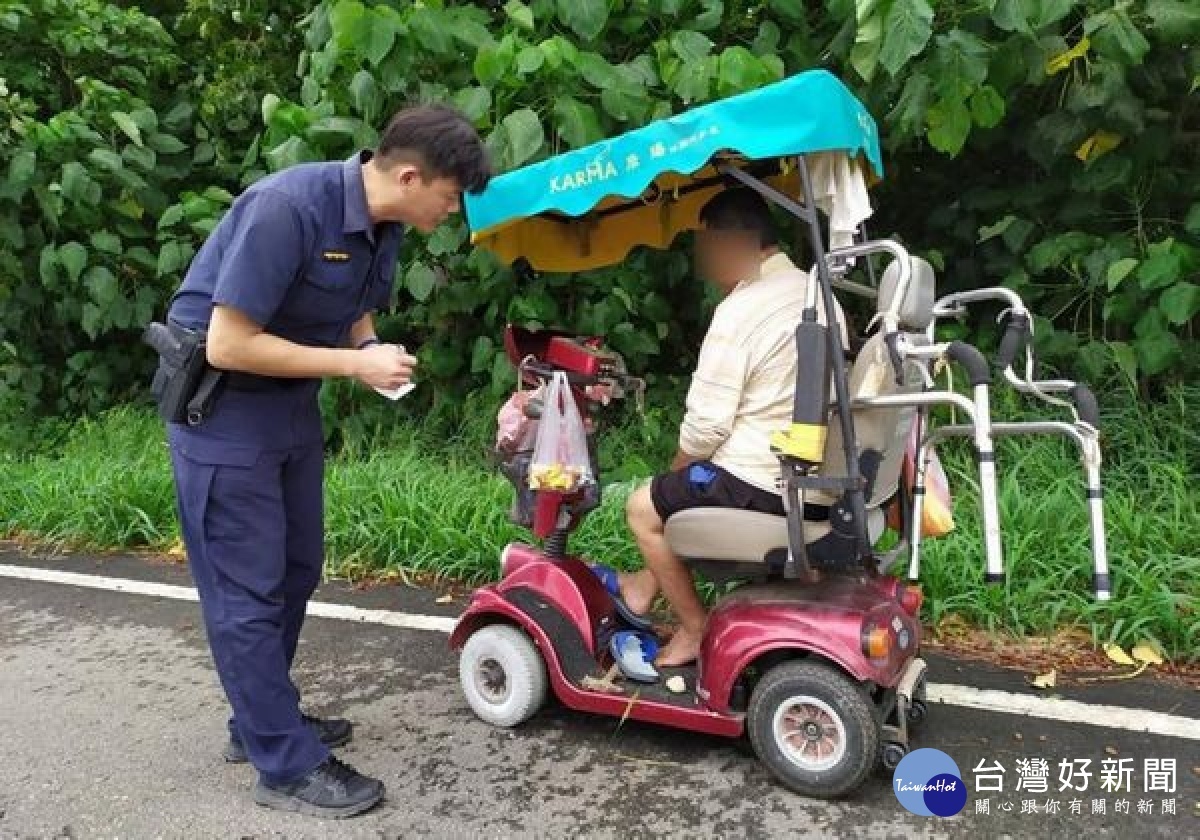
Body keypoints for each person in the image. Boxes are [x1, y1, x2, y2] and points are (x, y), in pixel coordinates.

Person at [160, 105, 490, 818]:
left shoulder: (384, 225)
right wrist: (350, 365)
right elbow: (227, 343)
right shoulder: (288, 207)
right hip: (224, 413)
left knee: (297, 566)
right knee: (247, 592)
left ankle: (260, 721)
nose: (453, 212)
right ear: (410, 175)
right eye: (452, 196)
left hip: (288, 409)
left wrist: (368, 349)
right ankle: (283, 763)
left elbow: (355, 310)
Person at [615, 187, 846, 667]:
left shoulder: (743, 309)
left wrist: (672, 474)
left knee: (643, 508)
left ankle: (694, 629)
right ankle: (642, 587)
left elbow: (704, 429)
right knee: (673, 492)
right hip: (820, 483)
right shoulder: (820, 296)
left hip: (761, 480)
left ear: (727, 243)